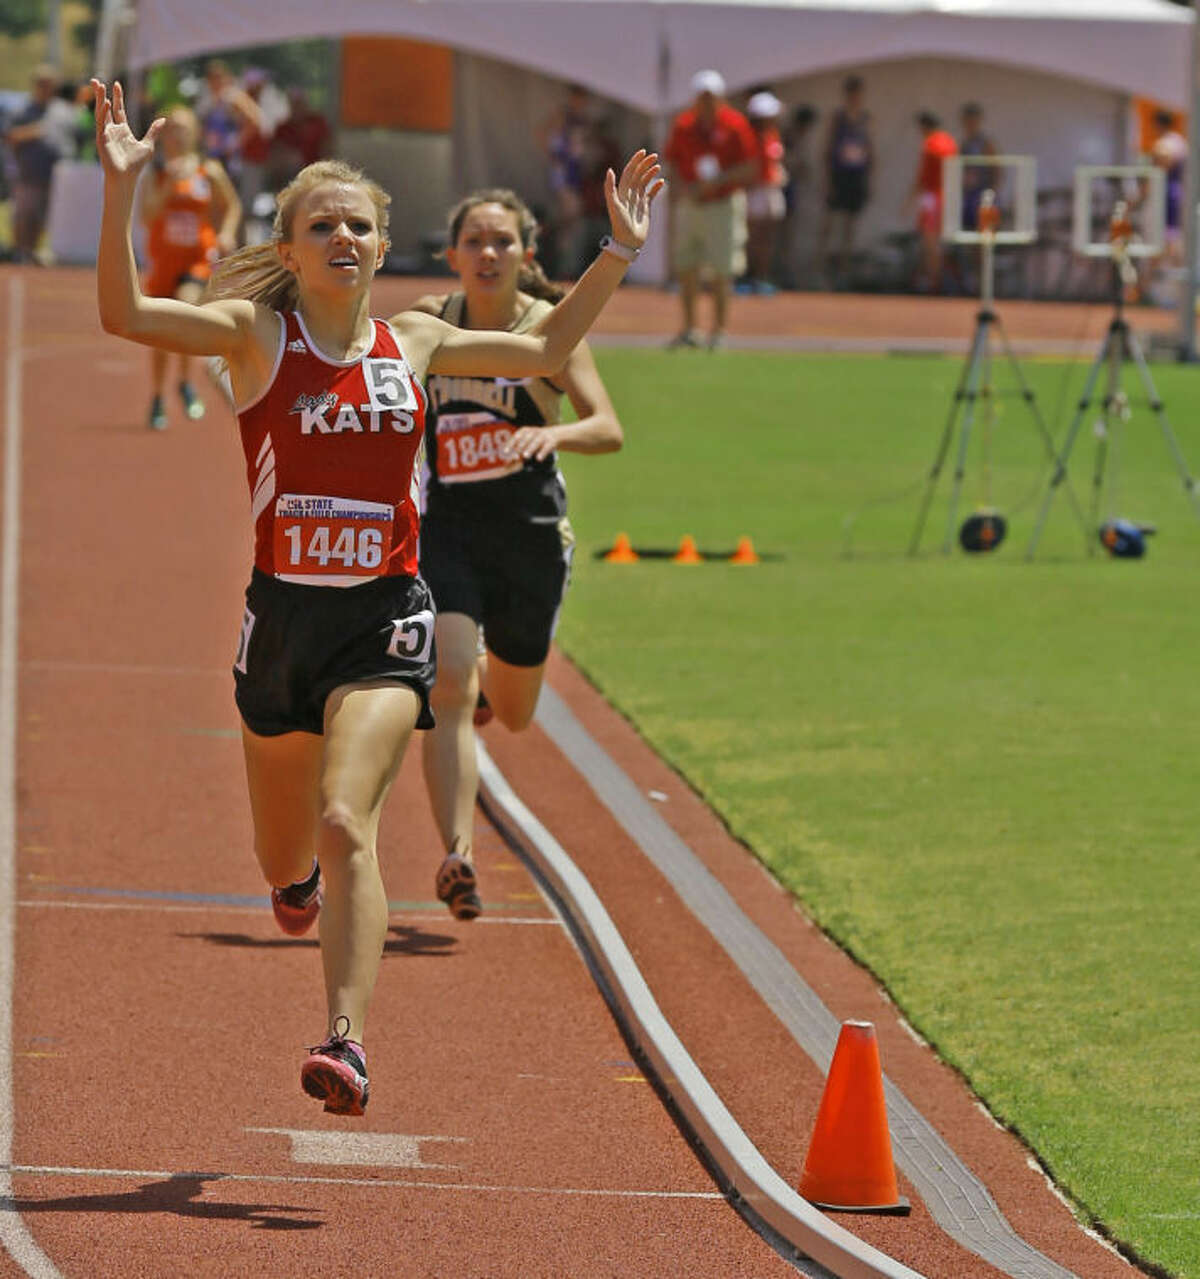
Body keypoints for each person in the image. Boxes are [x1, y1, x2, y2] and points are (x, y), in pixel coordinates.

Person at [92, 77, 661, 1117]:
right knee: (287, 860)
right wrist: (121, 192)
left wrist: (617, 251)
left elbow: (542, 351)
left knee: (351, 819)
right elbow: (124, 313)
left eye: (359, 222)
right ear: (293, 248)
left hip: (385, 619)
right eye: (323, 225)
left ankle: (344, 1041)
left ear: (381, 242)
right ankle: (296, 887)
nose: (344, 236)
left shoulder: (418, 343)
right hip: (282, 627)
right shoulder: (254, 338)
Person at [401, 189, 623, 921]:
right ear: (452, 254)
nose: (488, 253)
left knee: (517, 712)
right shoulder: (430, 326)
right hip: (450, 530)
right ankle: (456, 852)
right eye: (475, 240)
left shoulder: (548, 332)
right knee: (450, 685)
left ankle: (498, 679)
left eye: (502, 242)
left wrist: (550, 436)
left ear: (526, 256)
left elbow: (606, 427)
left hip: (529, 532)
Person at [139, 105, 240, 430]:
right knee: (159, 336)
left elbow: (233, 205)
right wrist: (170, 182)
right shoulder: (155, 172)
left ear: (195, 133)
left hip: (197, 260)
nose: (177, 135)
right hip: (163, 263)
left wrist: (225, 232)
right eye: (172, 129)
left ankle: (184, 380)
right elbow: (147, 216)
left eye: (184, 128)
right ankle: (157, 395)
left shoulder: (209, 170)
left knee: (184, 312)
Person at [664, 69, 758, 349]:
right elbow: (672, 163)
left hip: (722, 204)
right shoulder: (683, 126)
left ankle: (719, 330)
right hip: (692, 204)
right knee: (686, 266)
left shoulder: (735, 125)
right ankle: (690, 328)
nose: (706, 104)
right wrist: (683, 190)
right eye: (702, 98)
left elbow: (750, 167)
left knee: (722, 268)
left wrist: (718, 181)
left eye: (711, 98)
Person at [4, 66, 77, 264]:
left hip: (59, 179)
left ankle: (37, 256)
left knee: (49, 222)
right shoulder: (22, 110)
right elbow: (9, 136)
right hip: (30, 177)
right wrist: (32, 132)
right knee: (25, 218)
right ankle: (21, 255)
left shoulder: (64, 111)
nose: (46, 89)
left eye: (50, 85)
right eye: (42, 85)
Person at [818, 76, 872, 288]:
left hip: (856, 175)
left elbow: (870, 148)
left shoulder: (866, 118)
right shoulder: (838, 118)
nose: (855, 98)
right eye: (852, 93)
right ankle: (819, 268)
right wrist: (828, 178)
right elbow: (828, 148)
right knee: (829, 221)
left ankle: (844, 270)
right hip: (839, 174)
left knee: (850, 224)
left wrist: (870, 176)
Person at [541, 83, 592, 277]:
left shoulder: (583, 119)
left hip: (575, 171)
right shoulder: (563, 115)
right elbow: (542, 133)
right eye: (578, 98)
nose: (581, 103)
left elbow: (581, 145)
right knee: (570, 213)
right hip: (563, 172)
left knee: (572, 217)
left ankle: (564, 260)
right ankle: (561, 262)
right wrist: (553, 155)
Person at [741, 90, 788, 294]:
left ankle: (761, 277)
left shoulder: (773, 134)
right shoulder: (748, 137)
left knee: (767, 237)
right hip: (753, 190)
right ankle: (747, 277)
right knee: (751, 236)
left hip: (771, 188)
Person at [906, 111, 958, 293]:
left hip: (933, 196)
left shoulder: (930, 144)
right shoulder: (949, 142)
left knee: (930, 240)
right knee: (935, 240)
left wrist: (909, 199)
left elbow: (922, 176)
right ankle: (932, 277)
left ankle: (934, 281)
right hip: (946, 195)